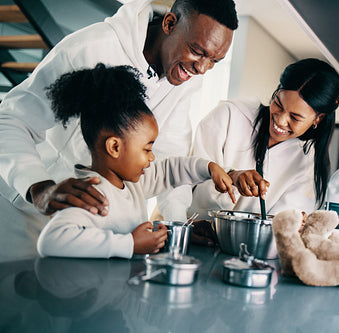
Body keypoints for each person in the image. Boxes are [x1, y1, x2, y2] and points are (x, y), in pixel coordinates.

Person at [0, 0, 238, 260]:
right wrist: (39, 188)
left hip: (92, 231)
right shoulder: (92, 47)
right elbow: (11, 119)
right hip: (23, 210)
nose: (202, 69)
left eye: (214, 60)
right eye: (197, 51)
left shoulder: (183, 78)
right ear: (170, 24)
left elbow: (170, 155)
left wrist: (178, 224)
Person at [36, 64, 235, 258]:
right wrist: (130, 244)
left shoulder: (133, 184)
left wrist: (209, 168)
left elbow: (170, 170)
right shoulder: (91, 194)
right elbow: (51, 240)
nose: (152, 157)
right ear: (115, 147)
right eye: (147, 148)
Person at [187, 58, 339, 221]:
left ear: (318, 118)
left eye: (295, 117)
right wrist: (231, 176)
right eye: (278, 104)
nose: (280, 121)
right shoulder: (229, 115)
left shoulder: (306, 163)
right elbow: (188, 173)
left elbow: (282, 225)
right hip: (193, 232)